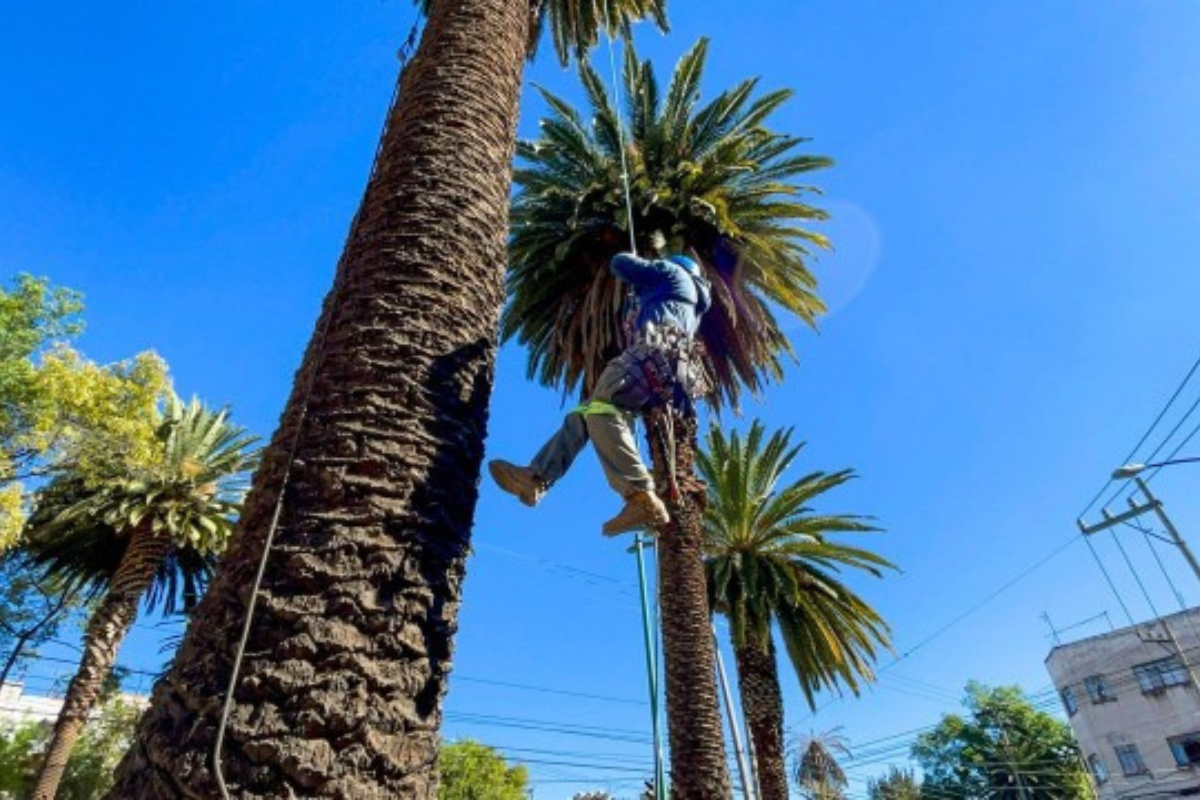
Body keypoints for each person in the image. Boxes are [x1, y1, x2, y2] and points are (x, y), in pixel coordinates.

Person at [489, 251, 711, 536]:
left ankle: (640, 495)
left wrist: (630, 257)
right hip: (666, 371)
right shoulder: (690, 303)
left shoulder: (672, 273)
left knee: (600, 409)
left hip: (650, 355)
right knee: (584, 414)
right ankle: (535, 477)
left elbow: (621, 264)